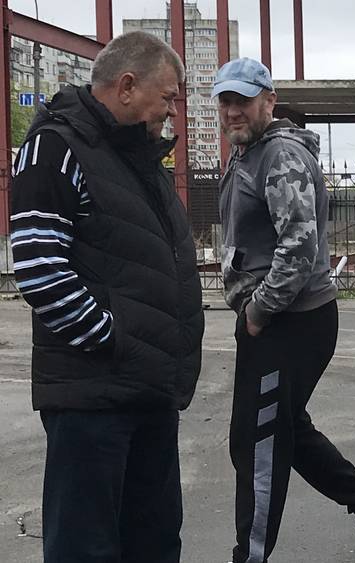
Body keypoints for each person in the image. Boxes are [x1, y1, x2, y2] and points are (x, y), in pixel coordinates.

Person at [9, 32, 204, 562]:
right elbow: (39, 268)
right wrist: (112, 341)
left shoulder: (137, 158)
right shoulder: (55, 147)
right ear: (126, 86)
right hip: (94, 397)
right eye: (167, 97)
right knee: (86, 548)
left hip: (148, 392)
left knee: (155, 542)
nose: (173, 111)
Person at [214, 58, 355, 563]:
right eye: (225, 101)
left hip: (290, 322)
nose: (232, 111)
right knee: (275, 432)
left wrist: (258, 312)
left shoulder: (280, 156)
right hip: (275, 321)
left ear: (269, 101)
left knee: (259, 446)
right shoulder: (248, 153)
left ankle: (250, 556)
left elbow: (299, 249)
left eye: (243, 100)